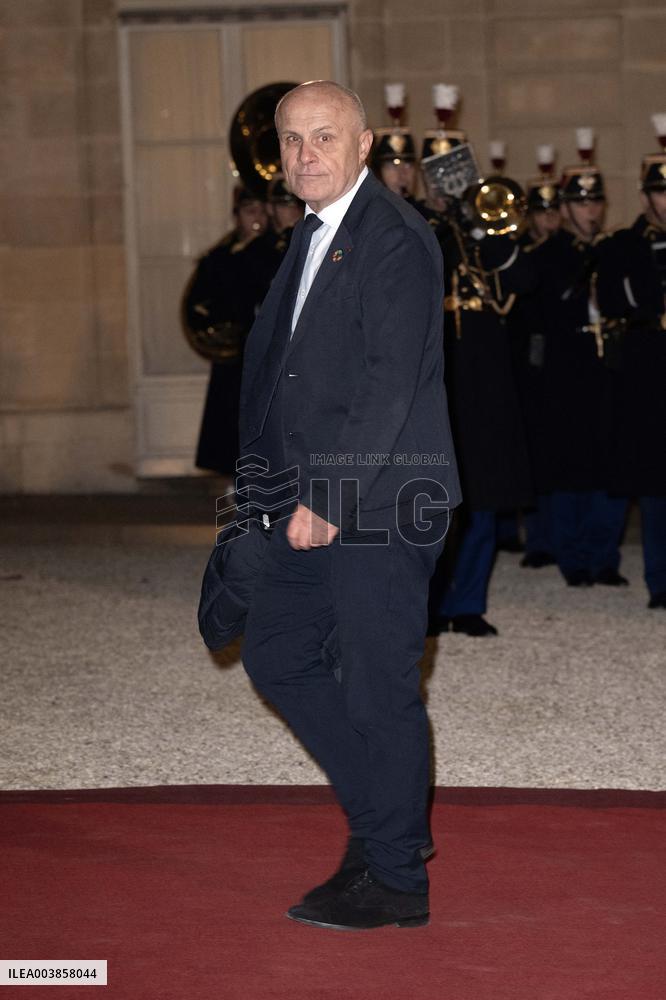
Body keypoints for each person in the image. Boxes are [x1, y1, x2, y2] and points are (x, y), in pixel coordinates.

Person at [238, 81, 460, 931]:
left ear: (365, 146)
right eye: (292, 140)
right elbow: (284, 375)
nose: (305, 155)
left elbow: (387, 384)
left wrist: (328, 499)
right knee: (279, 652)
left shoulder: (394, 238)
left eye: (324, 137)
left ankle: (396, 879)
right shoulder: (312, 232)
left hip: (380, 500)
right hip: (311, 499)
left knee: (377, 688)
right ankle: (386, 825)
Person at [428, 177, 534, 637]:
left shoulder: (485, 236)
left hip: (486, 386)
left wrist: (485, 231)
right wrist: (443, 225)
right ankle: (428, 606)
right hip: (434, 382)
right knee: (428, 502)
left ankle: (467, 603)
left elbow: (521, 281)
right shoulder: (412, 228)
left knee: (484, 496)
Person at [533, 166, 629, 586]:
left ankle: (604, 555)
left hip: (607, 365)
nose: (589, 210)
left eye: (595, 202)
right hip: (565, 368)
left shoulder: (615, 249)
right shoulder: (551, 254)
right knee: (568, 463)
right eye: (579, 203)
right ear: (566, 208)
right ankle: (571, 555)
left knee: (609, 462)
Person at [596, 152, 666, 608]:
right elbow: (612, 300)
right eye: (661, 191)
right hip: (650, 363)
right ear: (644, 197)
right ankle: (660, 580)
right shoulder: (623, 244)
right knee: (657, 477)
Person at [183, 187, 278, 474]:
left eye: (262, 211)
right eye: (250, 212)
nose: (258, 218)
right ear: (236, 217)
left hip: (263, 355)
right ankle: (236, 484)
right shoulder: (220, 256)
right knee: (229, 427)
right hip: (233, 356)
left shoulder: (273, 251)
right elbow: (203, 301)